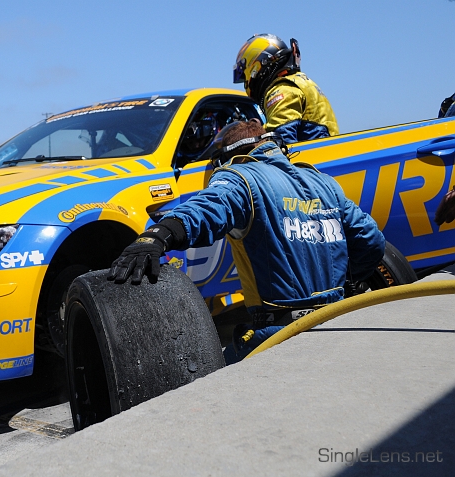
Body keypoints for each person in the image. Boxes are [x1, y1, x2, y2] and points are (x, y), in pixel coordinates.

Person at [108, 119, 385, 362]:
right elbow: (372, 240)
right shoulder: (323, 182)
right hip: (339, 323)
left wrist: (158, 235)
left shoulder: (240, 177)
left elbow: (208, 208)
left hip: (279, 337)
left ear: (229, 156)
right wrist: (349, 282)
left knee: (198, 387)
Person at [233, 34, 339, 144]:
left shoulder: (282, 89)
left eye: (244, 77)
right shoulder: (301, 82)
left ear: (256, 66)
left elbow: (280, 142)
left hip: (312, 158)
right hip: (323, 155)